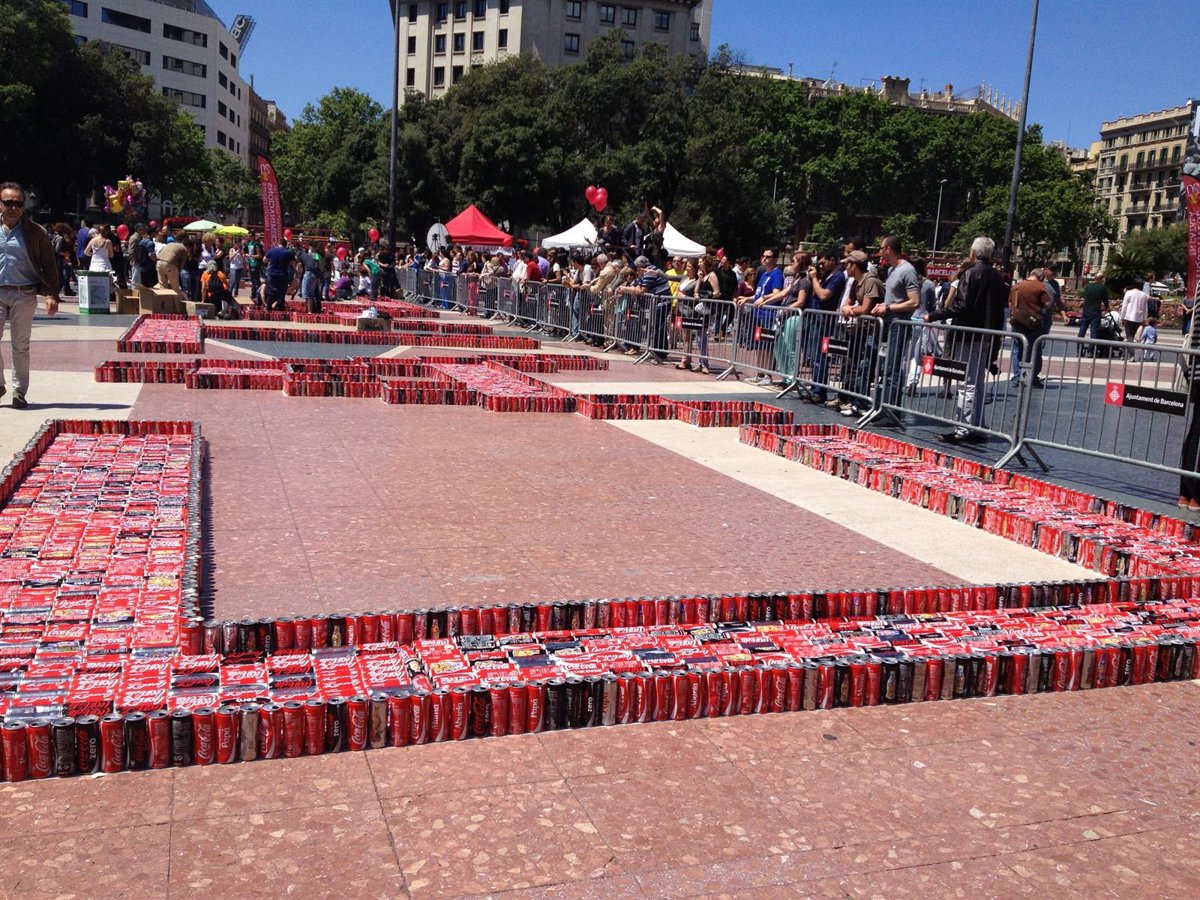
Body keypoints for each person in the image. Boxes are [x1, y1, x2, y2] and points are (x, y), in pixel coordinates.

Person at [926, 236, 1008, 444]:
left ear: (973, 252)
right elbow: (999, 310)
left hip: (969, 333)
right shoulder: (997, 276)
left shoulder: (971, 273)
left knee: (967, 383)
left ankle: (964, 428)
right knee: (977, 382)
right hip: (986, 334)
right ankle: (977, 427)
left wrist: (935, 315)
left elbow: (962, 305)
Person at [0, 181, 60, 408]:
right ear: (0, 204)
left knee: (20, 345)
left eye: (18, 203)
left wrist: (51, 294)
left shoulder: (35, 232)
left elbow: (49, 264)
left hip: (23, 293)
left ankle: (19, 391)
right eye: (8, 203)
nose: (13, 208)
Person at [869, 236, 921, 404]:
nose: (879, 252)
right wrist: (883, 305)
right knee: (885, 367)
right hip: (888, 324)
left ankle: (890, 407)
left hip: (898, 325)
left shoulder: (907, 270)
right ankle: (883, 404)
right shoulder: (891, 270)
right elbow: (894, 299)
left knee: (893, 368)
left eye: (881, 248)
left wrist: (888, 308)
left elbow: (914, 302)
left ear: (889, 249)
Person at [836, 251, 883, 416]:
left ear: (854, 265)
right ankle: (856, 401)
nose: (845, 268)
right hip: (863, 328)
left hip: (875, 331)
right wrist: (848, 309)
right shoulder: (856, 282)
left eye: (847, 264)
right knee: (857, 364)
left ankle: (862, 403)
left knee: (866, 365)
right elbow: (846, 304)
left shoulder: (870, 281)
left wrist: (850, 310)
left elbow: (865, 309)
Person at [619, 255, 672, 362]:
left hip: (662, 302)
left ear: (640, 266)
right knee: (656, 327)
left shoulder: (650, 272)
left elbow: (642, 290)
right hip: (657, 302)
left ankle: (659, 353)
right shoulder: (644, 273)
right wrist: (629, 288)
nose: (636, 270)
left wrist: (625, 289)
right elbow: (638, 286)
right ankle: (657, 351)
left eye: (637, 268)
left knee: (659, 327)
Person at [1009, 266, 1051, 387]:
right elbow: (1047, 303)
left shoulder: (1017, 286)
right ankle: (1031, 378)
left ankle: (1018, 377)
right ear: (1041, 277)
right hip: (1032, 323)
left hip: (1017, 322)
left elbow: (1010, 303)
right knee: (1034, 350)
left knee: (1017, 350)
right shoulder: (1040, 286)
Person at [1078, 272, 1109, 353]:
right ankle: (1090, 351)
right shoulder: (1102, 287)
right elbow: (1105, 300)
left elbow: (1085, 296)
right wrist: (1107, 307)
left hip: (1086, 310)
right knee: (1094, 331)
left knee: (1082, 330)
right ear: (1102, 279)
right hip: (1095, 311)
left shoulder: (1088, 286)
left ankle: (1079, 349)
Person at [264, 238, 295, 311]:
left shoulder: (272, 251)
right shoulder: (288, 253)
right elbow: (293, 263)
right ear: (285, 245)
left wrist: (271, 261)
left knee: (270, 291)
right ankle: (280, 309)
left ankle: (268, 308)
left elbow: (264, 260)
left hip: (272, 274)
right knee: (281, 292)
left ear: (278, 243)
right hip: (282, 274)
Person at [245, 231, 264, 301]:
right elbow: (245, 252)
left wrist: (250, 255)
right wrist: (246, 255)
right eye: (248, 236)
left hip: (255, 264)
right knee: (252, 280)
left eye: (250, 236)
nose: (249, 237)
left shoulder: (256, 244)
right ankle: (253, 294)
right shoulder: (249, 244)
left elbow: (259, 255)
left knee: (256, 280)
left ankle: (258, 295)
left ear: (253, 236)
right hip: (250, 263)